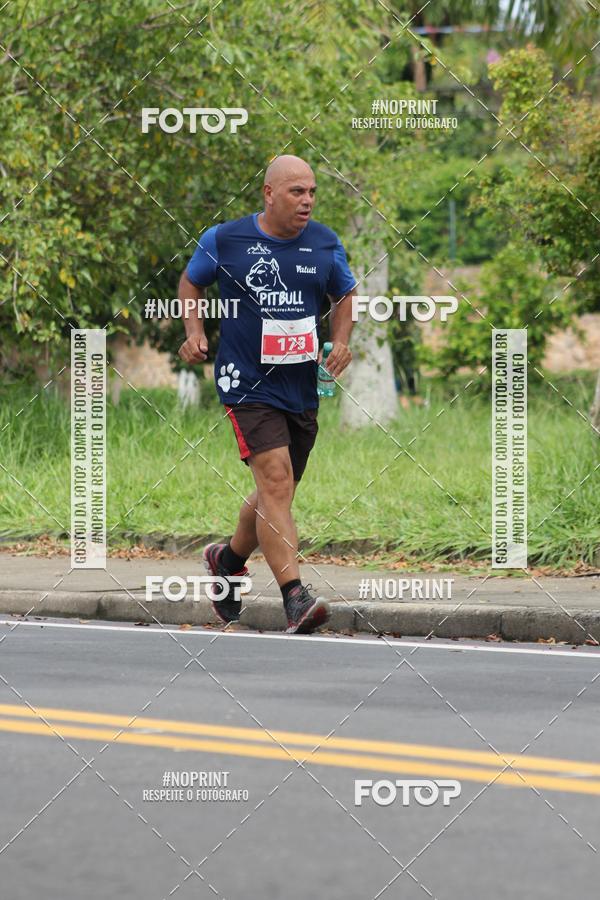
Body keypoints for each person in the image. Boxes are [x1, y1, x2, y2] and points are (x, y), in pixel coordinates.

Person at [178, 154, 357, 634]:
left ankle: (228, 559)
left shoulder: (325, 242)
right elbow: (191, 281)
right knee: (276, 483)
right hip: (246, 383)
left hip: (299, 386)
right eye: (298, 192)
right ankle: (295, 597)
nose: (308, 201)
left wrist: (341, 342)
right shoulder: (226, 239)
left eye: (313, 192)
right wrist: (194, 332)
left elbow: (345, 295)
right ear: (269, 193)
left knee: (275, 490)